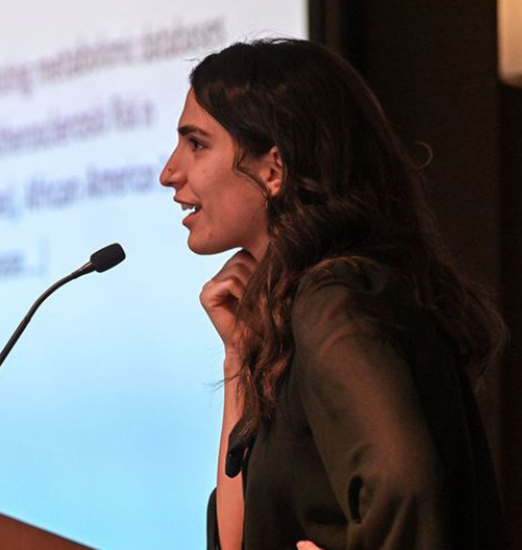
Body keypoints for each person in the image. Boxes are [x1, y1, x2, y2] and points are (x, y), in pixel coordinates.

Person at [159, 39, 506, 550]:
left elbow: (403, 484)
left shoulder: (334, 296)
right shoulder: (302, 311)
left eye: (197, 143)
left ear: (272, 169)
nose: (170, 172)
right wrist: (240, 355)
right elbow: (238, 542)